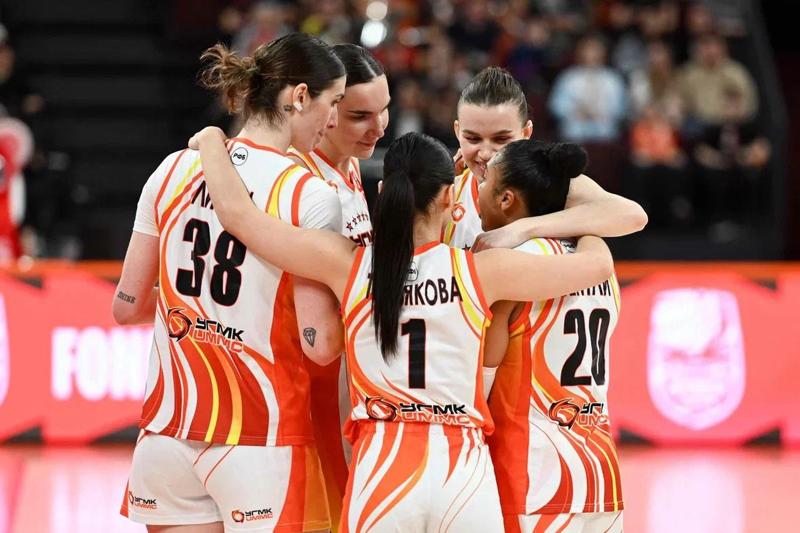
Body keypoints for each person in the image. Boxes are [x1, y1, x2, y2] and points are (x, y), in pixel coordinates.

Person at [191, 127, 614, 532]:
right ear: (449, 197)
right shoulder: (483, 271)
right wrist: (546, 223)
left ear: (383, 191)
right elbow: (597, 263)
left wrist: (211, 141)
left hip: (382, 466)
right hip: (464, 471)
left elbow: (238, 216)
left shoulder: (345, 263)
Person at [113, 33, 347, 532]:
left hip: (168, 431)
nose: (333, 120)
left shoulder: (173, 169)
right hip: (259, 436)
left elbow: (126, 306)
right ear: (299, 96)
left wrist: (191, 308)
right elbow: (320, 344)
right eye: (334, 103)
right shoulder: (311, 195)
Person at [478, 138, 624, 533]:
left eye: (485, 180)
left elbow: (481, 386)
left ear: (506, 199)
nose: (478, 187)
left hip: (534, 475)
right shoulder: (598, 262)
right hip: (600, 471)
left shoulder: (510, 267)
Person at [286, 43, 388, 531]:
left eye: (384, 110)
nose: (379, 126)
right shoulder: (300, 183)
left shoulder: (348, 168)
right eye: (360, 116)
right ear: (325, 113)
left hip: (349, 384)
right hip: (307, 389)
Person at [446, 66, 647, 251]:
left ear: (526, 133)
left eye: (501, 139)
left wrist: (523, 229)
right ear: (457, 132)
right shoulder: (444, 191)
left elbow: (633, 216)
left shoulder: (547, 182)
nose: (485, 153)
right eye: (473, 139)